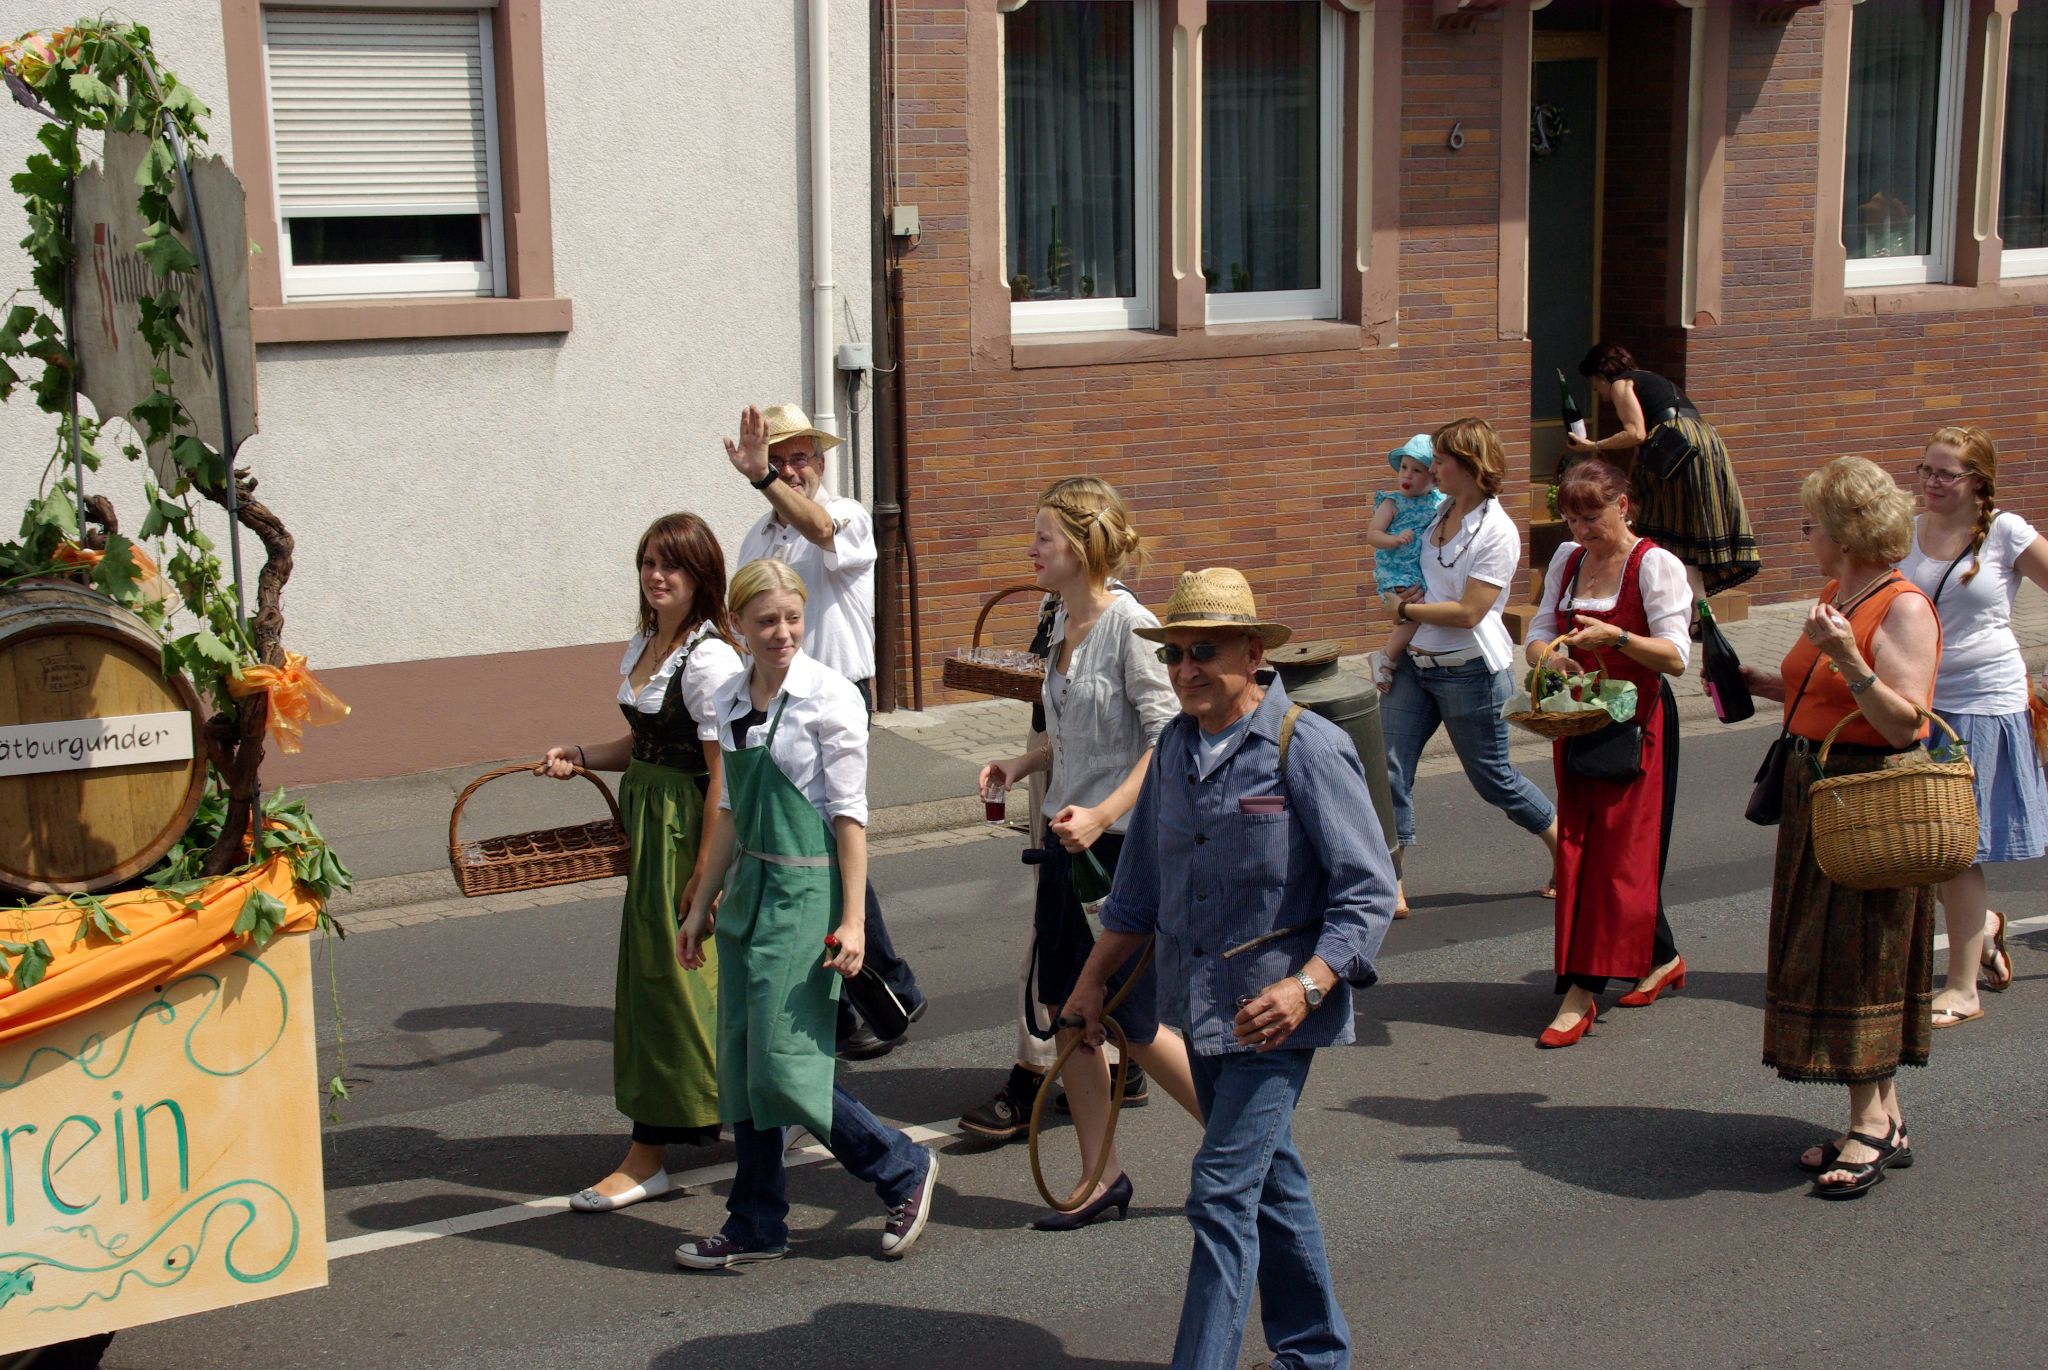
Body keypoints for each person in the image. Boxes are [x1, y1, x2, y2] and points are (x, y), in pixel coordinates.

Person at [1064, 567, 1395, 1370]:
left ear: (1254, 652)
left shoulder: (1306, 746)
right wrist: (1089, 981)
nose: (1185, 670)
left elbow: (1369, 891)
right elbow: (1136, 893)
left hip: (1276, 1016)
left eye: (1203, 652)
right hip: (1199, 1005)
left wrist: (1307, 984)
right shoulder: (1173, 746)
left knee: (1219, 1190)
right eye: (1175, 655)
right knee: (1269, 1185)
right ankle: (1316, 1354)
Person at [673, 559, 939, 1266]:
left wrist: (853, 921)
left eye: (792, 617)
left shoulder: (829, 697)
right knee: (742, 1061)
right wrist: (700, 905)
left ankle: (901, 1166)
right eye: (766, 621)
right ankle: (756, 1223)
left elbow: (850, 818)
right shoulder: (731, 697)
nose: (782, 631)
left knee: (785, 1066)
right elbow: (729, 809)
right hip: (752, 891)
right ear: (738, 626)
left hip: (806, 892)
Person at [971, 477, 1200, 1226]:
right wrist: (1021, 765)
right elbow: (1068, 731)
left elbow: (1170, 742)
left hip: (1124, 855)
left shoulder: (1131, 625)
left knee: (1131, 1022)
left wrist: (1103, 813)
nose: (1031, 550)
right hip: (1066, 853)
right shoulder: (1054, 616)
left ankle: (1246, 1143)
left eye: (1043, 537)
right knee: (1072, 1016)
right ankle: (1100, 1179)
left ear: (1081, 546)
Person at [1740, 457, 1940, 1199]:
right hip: (1819, 793)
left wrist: (1848, 656)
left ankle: (1870, 1125)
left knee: (1860, 957)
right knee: (1824, 951)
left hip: (1868, 800)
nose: (1805, 533)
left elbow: (1902, 723)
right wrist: (1766, 684)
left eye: (1813, 522)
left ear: (1848, 533)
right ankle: (1885, 1116)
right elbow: (1821, 691)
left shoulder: (1904, 606)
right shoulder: (1838, 591)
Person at [541, 512, 742, 1212]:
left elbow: (723, 772)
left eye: (673, 566)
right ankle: (746, 1112)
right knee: (672, 984)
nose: (658, 576)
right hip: (651, 823)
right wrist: (583, 754)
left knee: (671, 987)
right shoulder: (650, 644)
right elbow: (651, 746)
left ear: (700, 577)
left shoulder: (710, 657)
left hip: (687, 829)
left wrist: (705, 870)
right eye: (649, 562)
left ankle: (648, 1156)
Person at [728, 403, 925, 1060]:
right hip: (780, 702)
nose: (791, 470)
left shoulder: (847, 515)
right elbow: (746, 618)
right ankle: (854, 999)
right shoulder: (757, 536)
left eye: (800, 457)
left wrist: (762, 479)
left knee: (834, 836)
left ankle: (884, 988)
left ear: (819, 461)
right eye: (779, 459)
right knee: (795, 849)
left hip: (837, 697)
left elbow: (816, 527)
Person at [1523, 461, 1690, 1048]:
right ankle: (1660, 956)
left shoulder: (1655, 565)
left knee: (1618, 855)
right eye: (1571, 517)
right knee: (1583, 849)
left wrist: (1616, 638)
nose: (1581, 528)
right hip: (1580, 719)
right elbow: (1537, 631)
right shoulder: (1568, 560)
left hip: (1637, 724)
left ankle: (1580, 994)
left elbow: (1674, 657)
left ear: (1623, 504)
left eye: (1591, 515)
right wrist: (1554, 654)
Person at [1382, 416, 1560, 919]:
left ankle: (1567, 851)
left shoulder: (1497, 531)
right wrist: (1402, 591)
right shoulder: (1439, 512)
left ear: (1471, 466)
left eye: (1441, 460)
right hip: (1417, 664)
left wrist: (1404, 611)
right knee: (1389, 769)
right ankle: (1391, 881)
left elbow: (1469, 612)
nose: (1432, 468)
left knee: (1494, 780)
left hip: (1471, 671)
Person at [1900, 426, 2046, 1027]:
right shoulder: (1907, 529)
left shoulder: (2007, 531)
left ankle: (1963, 988)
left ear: (1977, 483)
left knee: (1954, 846)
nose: (1932, 483)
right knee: (1922, 842)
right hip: (1915, 700)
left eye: (1946, 474)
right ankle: (1981, 926)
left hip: (1983, 703)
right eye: (1926, 470)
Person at [1569, 342, 1761, 604]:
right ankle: (1698, 609)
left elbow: (1635, 433)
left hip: (1676, 445)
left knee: (1661, 519)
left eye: (1595, 383)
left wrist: (1594, 445)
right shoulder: (1649, 378)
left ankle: (1667, 599)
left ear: (1601, 375)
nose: (1596, 391)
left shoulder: (1620, 384)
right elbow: (1644, 440)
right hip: (1702, 440)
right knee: (1684, 529)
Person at [1365, 434, 1447, 691]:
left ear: (1434, 477)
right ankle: (1386, 657)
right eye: (1403, 468)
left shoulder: (1438, 502)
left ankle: (1397, 656)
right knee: (1413, 613)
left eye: (1416, 470)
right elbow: (1373, 535)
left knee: (1418, 613)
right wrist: (1394, 539)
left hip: (1420, 571)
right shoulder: (1392, 502)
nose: (1407, 476)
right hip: (1397, 570)